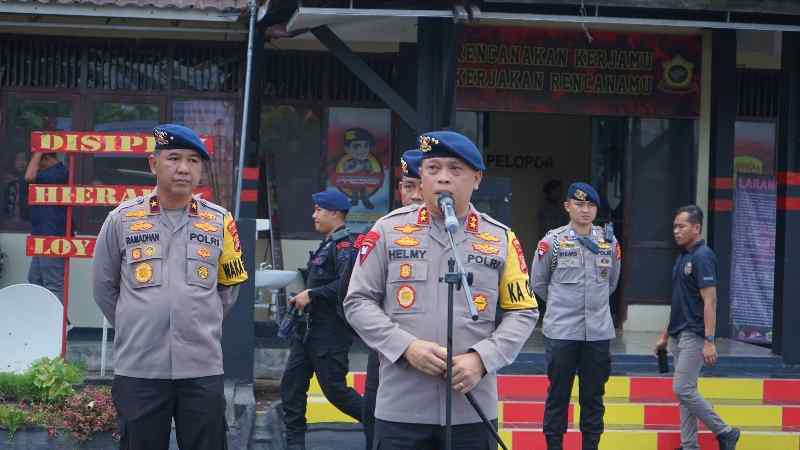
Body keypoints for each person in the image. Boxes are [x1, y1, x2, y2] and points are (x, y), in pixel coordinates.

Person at [344, 130, 539, 449]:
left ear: (477, 178)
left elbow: (523, 311)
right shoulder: (388, 231)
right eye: (433, 169)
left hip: (471, 411)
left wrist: (481, 359)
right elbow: (358, 302)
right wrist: (406, 347)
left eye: (455, 169)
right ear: (420, 179)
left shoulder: (501, 239)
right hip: (401, 411)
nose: (443, 179)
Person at [92, 124, 248, 450]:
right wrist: (138, 322)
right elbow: (104, 288)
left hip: (202, 367)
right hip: (140, 369)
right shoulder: (122, 220)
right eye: (174, 158)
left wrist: (199, 322)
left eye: (193, 161)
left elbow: (228, 289)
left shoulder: (220, 221)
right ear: (153, 164)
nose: (183, 168)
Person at [530, 182, 621, 450]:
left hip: (598, 333)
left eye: (590, 205)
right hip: (562, 333)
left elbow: (612, 282)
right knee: (558, 396)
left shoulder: (608, 241)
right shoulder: (553, 242)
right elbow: (538, 282)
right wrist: (561, 305)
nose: (585, 210)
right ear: (567, 206)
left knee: (593, 398)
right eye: (579, 204)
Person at [280, 189, 364, 450]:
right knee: (291, 387)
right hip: (308, 331)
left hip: (330, 333)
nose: (313, 215)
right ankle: (295, 445)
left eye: (319, 210)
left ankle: (383, 429)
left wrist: (312, 294)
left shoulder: (346, 244)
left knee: (336, 391)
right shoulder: (329, 243)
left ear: (335, 213)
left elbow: (347, 285)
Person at [654, 205, 740, 450]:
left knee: (682, 388)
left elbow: (710, 301)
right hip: (678, 333)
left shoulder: (703, 256)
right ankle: (689, 444)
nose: (676, 231)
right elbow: (678, 301)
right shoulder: (683, 256)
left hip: (694, 333)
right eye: (674, 226)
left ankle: (725, 431)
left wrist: (710, 340)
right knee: (686, 393)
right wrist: (664, 335)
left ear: (697, 228)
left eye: (681, 226)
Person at [362, 148, 424, 450]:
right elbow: (355, 299)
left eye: (420, 185)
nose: (414, 195)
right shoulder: (381, 233)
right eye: (407, 186)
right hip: (389, 358)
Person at [26, 151, 69, 304]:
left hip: (52, 235)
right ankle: (47, 320)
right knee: (35, 279)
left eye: (39, 162)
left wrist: (37, 153)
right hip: (42, 234)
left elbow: (29, 177)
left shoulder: (56, 173)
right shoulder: (53, 173)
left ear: (47, 158)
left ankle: (59, 323)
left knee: (52, 284)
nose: (37, 166)